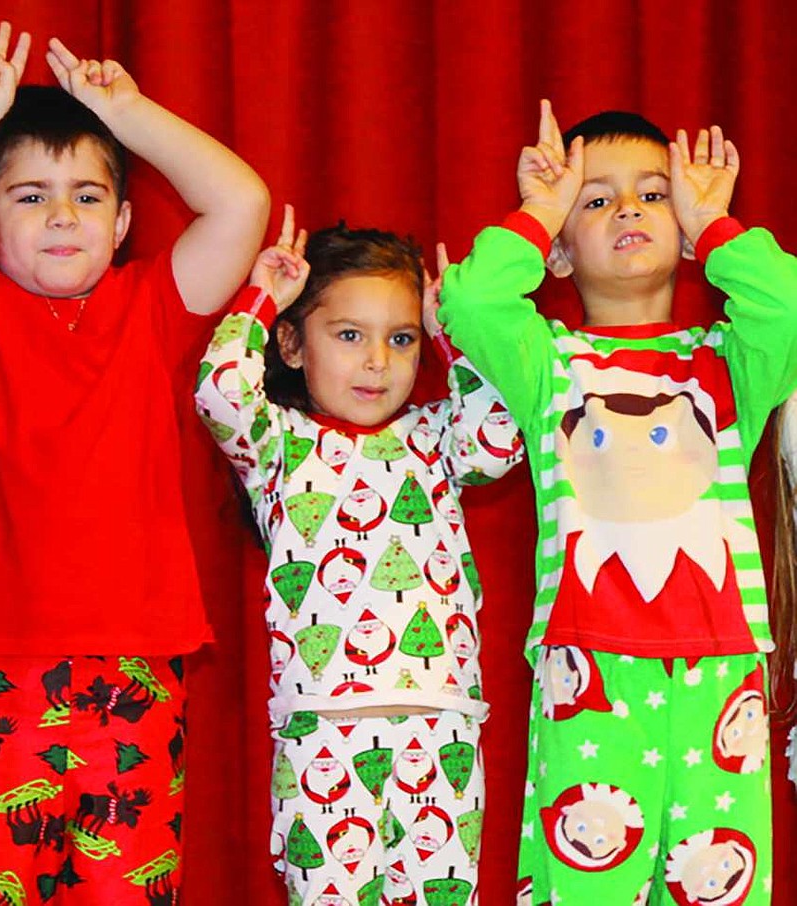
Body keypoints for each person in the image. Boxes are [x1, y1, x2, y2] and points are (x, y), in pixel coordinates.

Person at [0, 21, 269, 904]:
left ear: (123, 222)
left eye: (86, 195)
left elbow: (240, 203)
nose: (62, 216)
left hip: (133, 664)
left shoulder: (154, 306)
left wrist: (131, 113)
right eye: (30, 195)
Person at [438, 100, 797, 904]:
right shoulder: (547, 363)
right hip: (588, 666)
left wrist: (717, 227)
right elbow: (472, 304)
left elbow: (790, 308)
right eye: (596, 200)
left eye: (652, 193)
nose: (629, 209)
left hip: (723, 667)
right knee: (586, 880)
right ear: (562, 253)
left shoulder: (728, 364)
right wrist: (538, 212)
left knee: (718, 879)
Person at [196, 206, 521, 904]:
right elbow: (219, 390)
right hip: (324, 729)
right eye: (349, 335)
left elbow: (499, 439)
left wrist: (452, 336)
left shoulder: (436, 437)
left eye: (401, 339)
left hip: (443, 727)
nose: (378, 361)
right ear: (291, 344)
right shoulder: (279, 443)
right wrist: (260, 297)